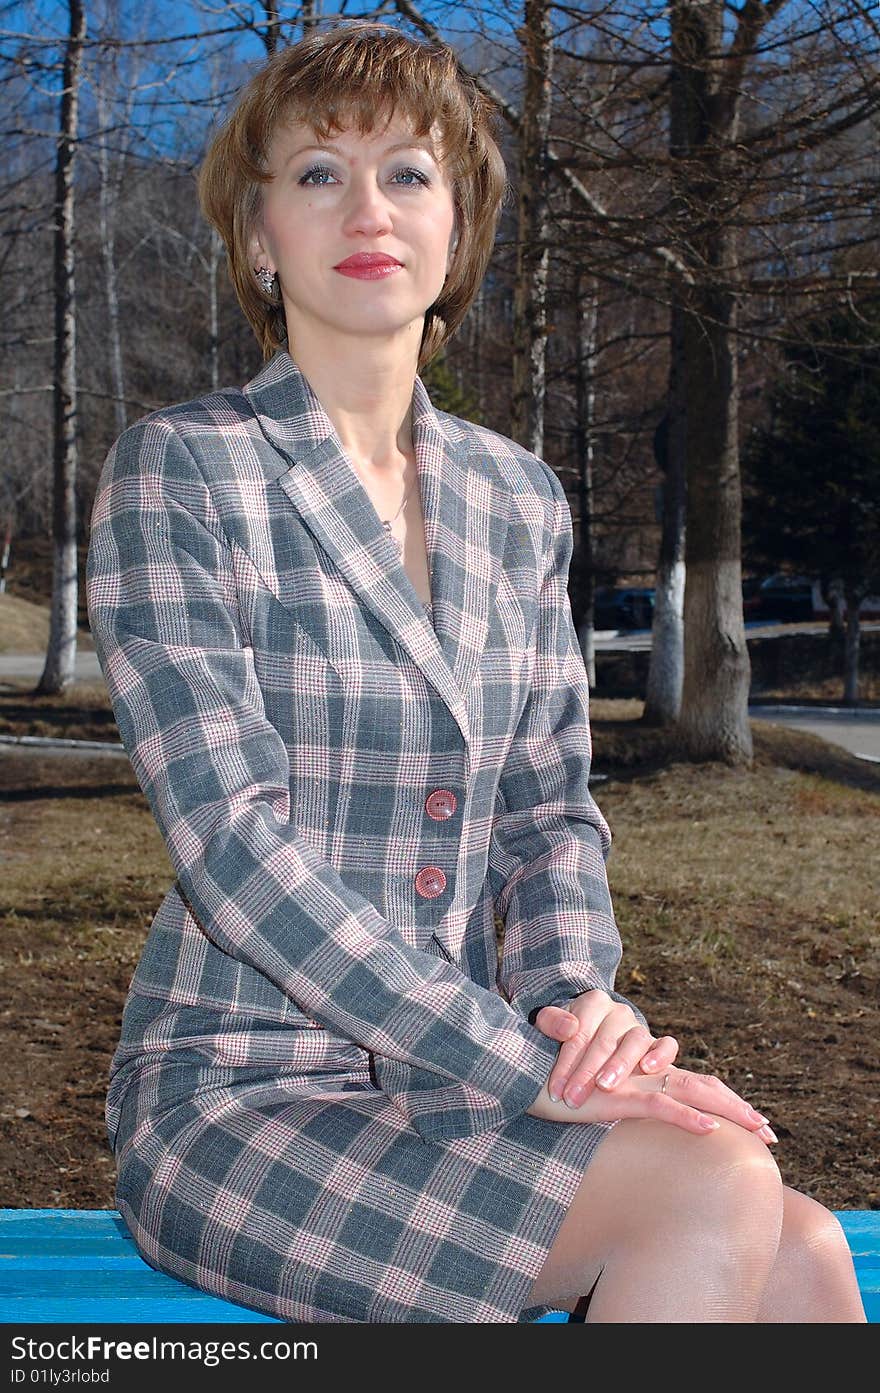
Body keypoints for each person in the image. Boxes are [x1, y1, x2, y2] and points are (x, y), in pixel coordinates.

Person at [85, 21, 865, 1324]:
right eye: (318, 173)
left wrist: (572, 1006)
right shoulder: (183, 472)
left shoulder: (517, 498)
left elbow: (547, 814)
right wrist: (527, 1066)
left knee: (807, 1246)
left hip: (458, 1086)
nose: (368, 205)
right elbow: (236, 848)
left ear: (457, 229)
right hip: (241, 1092)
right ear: (260, 237)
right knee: (716, 1189)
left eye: (409, 171)